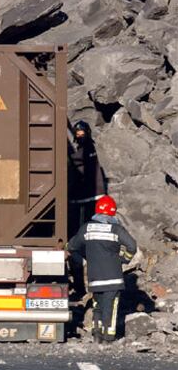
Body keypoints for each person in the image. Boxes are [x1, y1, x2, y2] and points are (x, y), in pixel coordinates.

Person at [67, 195, 137, 343]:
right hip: (113, 277)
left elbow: (72, 246)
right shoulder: (116, 229)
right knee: (110, 306)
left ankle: (97, 334)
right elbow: (132, 246)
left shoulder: (86, 228)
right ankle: (108, 336)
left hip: (94, 277)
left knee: (97, 305)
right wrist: (124, 259)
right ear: (112, 212)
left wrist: (86, 256)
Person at [67, 120, 107, 299]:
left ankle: (84, 286)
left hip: (86, 199)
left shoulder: (89, 150)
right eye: (78, 133)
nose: (79, 136)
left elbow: (80, 162)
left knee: (79, 241)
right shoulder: (89, 149)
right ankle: (83, 286)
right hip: (84, 199)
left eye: (81, 133)